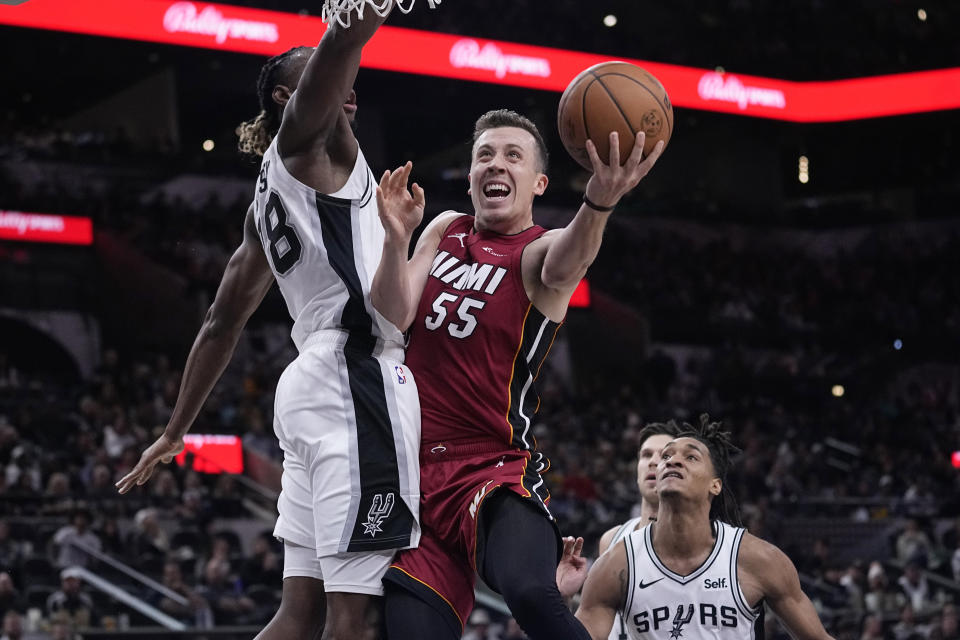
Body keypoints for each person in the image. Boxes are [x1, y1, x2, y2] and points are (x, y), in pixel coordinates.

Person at [115, 7, 421, 640]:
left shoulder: (267, 200)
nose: (343, 85)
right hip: (353, 380)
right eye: (318, 78)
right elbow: (339, 47)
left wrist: (176, 431)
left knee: (298, 612)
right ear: (290, 98)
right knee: (350, 620)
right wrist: (353, 19)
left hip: (309, 385)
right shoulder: (302, 144)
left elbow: (220, 323)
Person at [372, 109, 664, 639]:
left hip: (492, 468)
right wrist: (396, 239)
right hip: (412, 477)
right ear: (469, 176)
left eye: (512, 156)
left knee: (530, 594)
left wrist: (600, 199)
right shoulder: (443, 228)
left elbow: (572, 260)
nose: (495, 164)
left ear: (538, 182)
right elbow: (392, 317)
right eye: (484, 155)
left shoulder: (538, 252)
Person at [573, 415, 834, 640]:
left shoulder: (758, 559)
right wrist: (557, 598)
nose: (671, 461)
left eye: (690, 457)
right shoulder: (618, 563)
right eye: (667, 456)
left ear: (715, 485)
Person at [596, 421, 681, 640]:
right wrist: (562, 599)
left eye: (664, 456)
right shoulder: (611, 540)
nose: (653, 462)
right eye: (646, 455)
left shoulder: (714, 542)